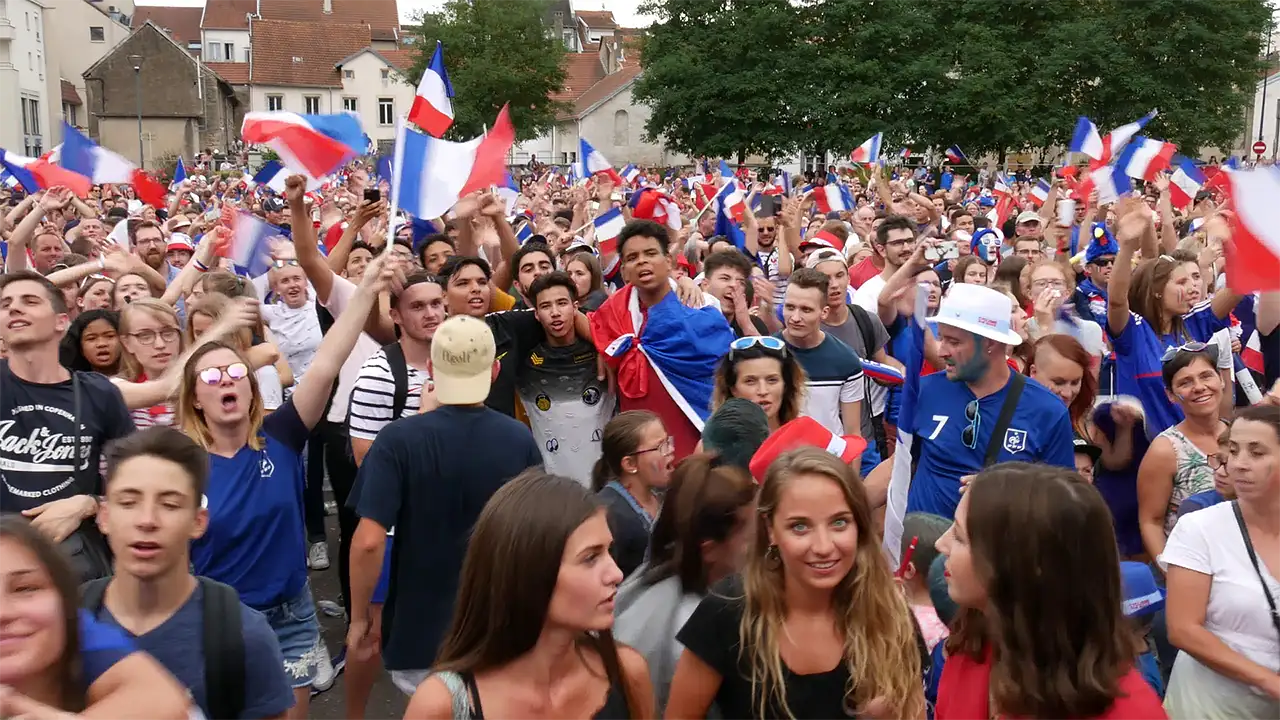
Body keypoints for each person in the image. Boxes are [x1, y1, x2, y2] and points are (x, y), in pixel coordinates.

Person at [177, 254, 391, 718]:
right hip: (218, 619)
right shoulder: (179, 461)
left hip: (292, 614)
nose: (226, 381)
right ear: (195, 396)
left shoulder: (283, 434)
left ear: (253, 387)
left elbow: (329, 357)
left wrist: (368, 289)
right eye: (211, 377)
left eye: (236, 373)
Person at [347, 315, 543, 695]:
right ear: (495, 370)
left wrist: (358, 620)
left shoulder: (395, 442)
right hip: (496, 630)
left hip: (421, 635)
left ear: (433, 369)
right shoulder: (519, 439)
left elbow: (368, 541)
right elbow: (536, 535)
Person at [667, 447, 926, 719]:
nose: (823, 546)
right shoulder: (727, 612)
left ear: (859, 526)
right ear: (770, 529)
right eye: (800, 527)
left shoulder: (891, 617)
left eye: (839, 523)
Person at [404, 471, 654, 719]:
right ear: (527, 571)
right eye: (590, 558)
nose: (616, 574)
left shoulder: (627, 673)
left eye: (610, 551)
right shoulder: (442, 705)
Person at [88, 427, 294, 720]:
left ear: (198, 522)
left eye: (170, 504)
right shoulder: (66, 624)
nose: (147, 520)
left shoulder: (243, 637)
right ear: (104, 516)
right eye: (128, 502)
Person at [934, 463, 1165, 718]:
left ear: (1022, 565)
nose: (940, 544)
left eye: (958, 537)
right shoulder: (972, 649)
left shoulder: (1132, 712)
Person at [885, 283, 1075, 556]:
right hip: (923, 562)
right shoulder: (924, 391)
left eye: (954, 341)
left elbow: (1063, 500)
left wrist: (1006, 492)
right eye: (942, 338)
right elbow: (900, 465)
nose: (941, 351)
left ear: (990, 344)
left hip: (996, 567)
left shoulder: (1047, 410)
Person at [0, 270, 134, 581]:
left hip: (73, 566)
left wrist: (89, 503)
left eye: (29, 301)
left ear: (62, 322)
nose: (14, 308)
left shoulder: (99, 392)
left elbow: (136, 481)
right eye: (5, 303)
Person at [0, 514, 193, 718]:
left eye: (25, 588)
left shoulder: (74, 627)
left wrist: (16, 704)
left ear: (64, 601)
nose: (3, 612)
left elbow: (161, 699)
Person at [613, 453, 756, 717]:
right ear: (709, 549)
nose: (763, 543)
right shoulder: (694, 635)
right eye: (751, 535)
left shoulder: (647, 579)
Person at [1161, 404, 1280, 717]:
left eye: (1257, 453)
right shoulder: (1199, 528)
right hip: (1209, 708)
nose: (1238, 464)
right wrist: (1269, 681)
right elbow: (1183, 629)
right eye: (1234, 451)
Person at [591, 220, 736, 461]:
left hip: (694, 430)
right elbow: (595, 329)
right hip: (640, 442)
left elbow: (725, 368)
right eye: (632, 257)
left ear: (668, 261)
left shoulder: (701, 307)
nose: (642, 262)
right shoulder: (613, 314)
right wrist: (602, 349)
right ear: (624, 270)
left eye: (650, 253)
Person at [1107, 205, 1240, 434]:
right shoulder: (1134, 332)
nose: (1193, 288)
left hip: (1195, 452)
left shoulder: (1194, 322)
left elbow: (1239, 287)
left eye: (1195, 279)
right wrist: (1127, 247)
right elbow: (1117, 301)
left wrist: (1229, 241)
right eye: (1181, 283)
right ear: (1157, 290)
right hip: (1141, 455)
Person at [810, 246, 899, 473]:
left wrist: (902, 375)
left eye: (840, 275)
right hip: (819, 441)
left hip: (863, 438)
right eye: (825, 278)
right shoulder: (805, 326)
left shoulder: (865, 320)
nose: (834, 284)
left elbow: (882, 364)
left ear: (849, 277)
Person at [1137, 345, 1228, 560]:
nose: (1199, 387)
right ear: (1171, 395)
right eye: (1185, 383)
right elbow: (1151, 522)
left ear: (1221, 380)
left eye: (1206, 376)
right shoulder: (1165, 450)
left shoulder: (1239, 435)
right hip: (1190, 567)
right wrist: (1171, 573)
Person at [777, 267, 865, 441]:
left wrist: (850, 469)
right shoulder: (766, 355)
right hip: (781, 463)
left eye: (806, 310)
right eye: (790, 307)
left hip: (829, 461)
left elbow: (852, 433)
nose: (795, 317)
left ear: (824, 312)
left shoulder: (846, 360)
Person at [592, 411, 675, 579]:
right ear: (629, 464)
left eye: (668, 441)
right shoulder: (609, 516)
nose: (671, 450)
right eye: (661, 447)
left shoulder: (662, 496)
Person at [711, 335, 807, 432]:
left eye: (772, 380)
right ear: (733, 388)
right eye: (750, 381)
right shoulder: (714, 445)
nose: (763, 391)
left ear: (786, 385)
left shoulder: (809, 439)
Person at [60, 308, 120, 375]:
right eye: (91, 338)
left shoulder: (133, 380)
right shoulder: (72, 382)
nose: (101, 344)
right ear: (80, 348)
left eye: (109, 336)